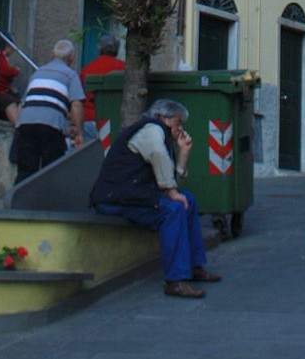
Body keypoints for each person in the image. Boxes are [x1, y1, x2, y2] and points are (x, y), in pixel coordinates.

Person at [89, 98, 222, 299]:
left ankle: (194, 266)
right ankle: (175, 280)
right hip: (115, 198)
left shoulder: (158, 133)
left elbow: (171, 176)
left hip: (132, 195)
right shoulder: (152, 130)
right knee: (174, 209)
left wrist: (184, 153)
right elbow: (159, 158)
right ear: (166, 119)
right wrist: (171, 191)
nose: (180, 128)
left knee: (189, 199)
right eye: (178, 123)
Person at [13, 40, 85, 183]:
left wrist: (18, 125)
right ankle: (46, 203)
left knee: (26, 169)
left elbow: (24, 102)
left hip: (26, 123)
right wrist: (78, 131)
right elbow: (76, 105)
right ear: (72, 57)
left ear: (53, 54)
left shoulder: (37, 73)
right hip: (51, 124)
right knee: (51, 169)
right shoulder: (70, 75)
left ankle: (20, 202)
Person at [79, 32, 126, 142]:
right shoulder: (124, 68)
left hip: (89, 118)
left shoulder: (87, 69)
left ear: (99, 49)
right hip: (114, 120)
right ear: (117, 49)